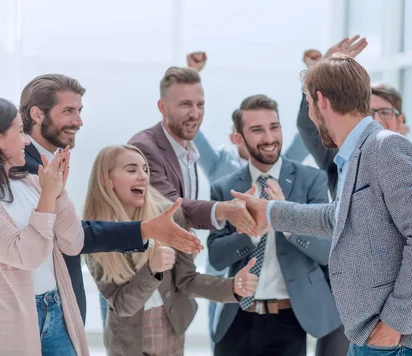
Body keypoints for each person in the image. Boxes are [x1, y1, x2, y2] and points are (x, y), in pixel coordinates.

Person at [231, 55, 412, 356]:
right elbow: (339, 216)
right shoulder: (354, 154)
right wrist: (272, 212)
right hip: (372, 332)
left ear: (320, 101)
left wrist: (393, 324)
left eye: (309, 105)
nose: (312, 117)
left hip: (399, 338)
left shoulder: (386, 147)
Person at [18, 74, 202, 326]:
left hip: (57, 308)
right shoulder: (18, 166)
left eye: (79, 110)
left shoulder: (50, 161)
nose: (79, 121)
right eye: (69, 111)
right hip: (31, 310)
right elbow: (70, 235)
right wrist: (146, 229)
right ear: (37, 115)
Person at [84, 144, 258, 356]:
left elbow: (187, 280)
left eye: (145, 169)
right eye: (131, 170)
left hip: (171, 327)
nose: (143, 177)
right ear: (106, 180)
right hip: (127, 342)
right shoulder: (95, 235)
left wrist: (232, 287)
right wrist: (152, 270)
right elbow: (122, 306)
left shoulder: (170, 216)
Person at [207, 94, 340, 356]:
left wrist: (286, 220)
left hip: (288, 321)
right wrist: (254, 232)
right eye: (257, 130)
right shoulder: (225, 189)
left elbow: (327, 251)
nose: (269, 138)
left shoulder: (311, 180)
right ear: (239, 138)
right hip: (236, 320)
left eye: (274, 127)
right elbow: (217, 257)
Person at [297, 37, 412, 198]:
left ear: (399, 121)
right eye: (369, 112)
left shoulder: (407, 156)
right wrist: (322, 72)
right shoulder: (341, 155)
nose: (376, 119)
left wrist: (403, 145)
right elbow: (309, 126)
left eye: (385, 112)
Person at [0, 98, 87, 355]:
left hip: (56, 307)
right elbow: (27, 255)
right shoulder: (39, 188)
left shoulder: (29, 181)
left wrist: (58, 193)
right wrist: (48, 197)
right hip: (15, 320)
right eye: (19, 131)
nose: (26, 141)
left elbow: (73, 242)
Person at [128, 66, 258, 236]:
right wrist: (223, 209)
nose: (195, 114)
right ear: (162, 107)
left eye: (200, 105)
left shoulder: (188, 151)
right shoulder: (144, 148)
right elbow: (171, 207)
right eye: (185, 104)